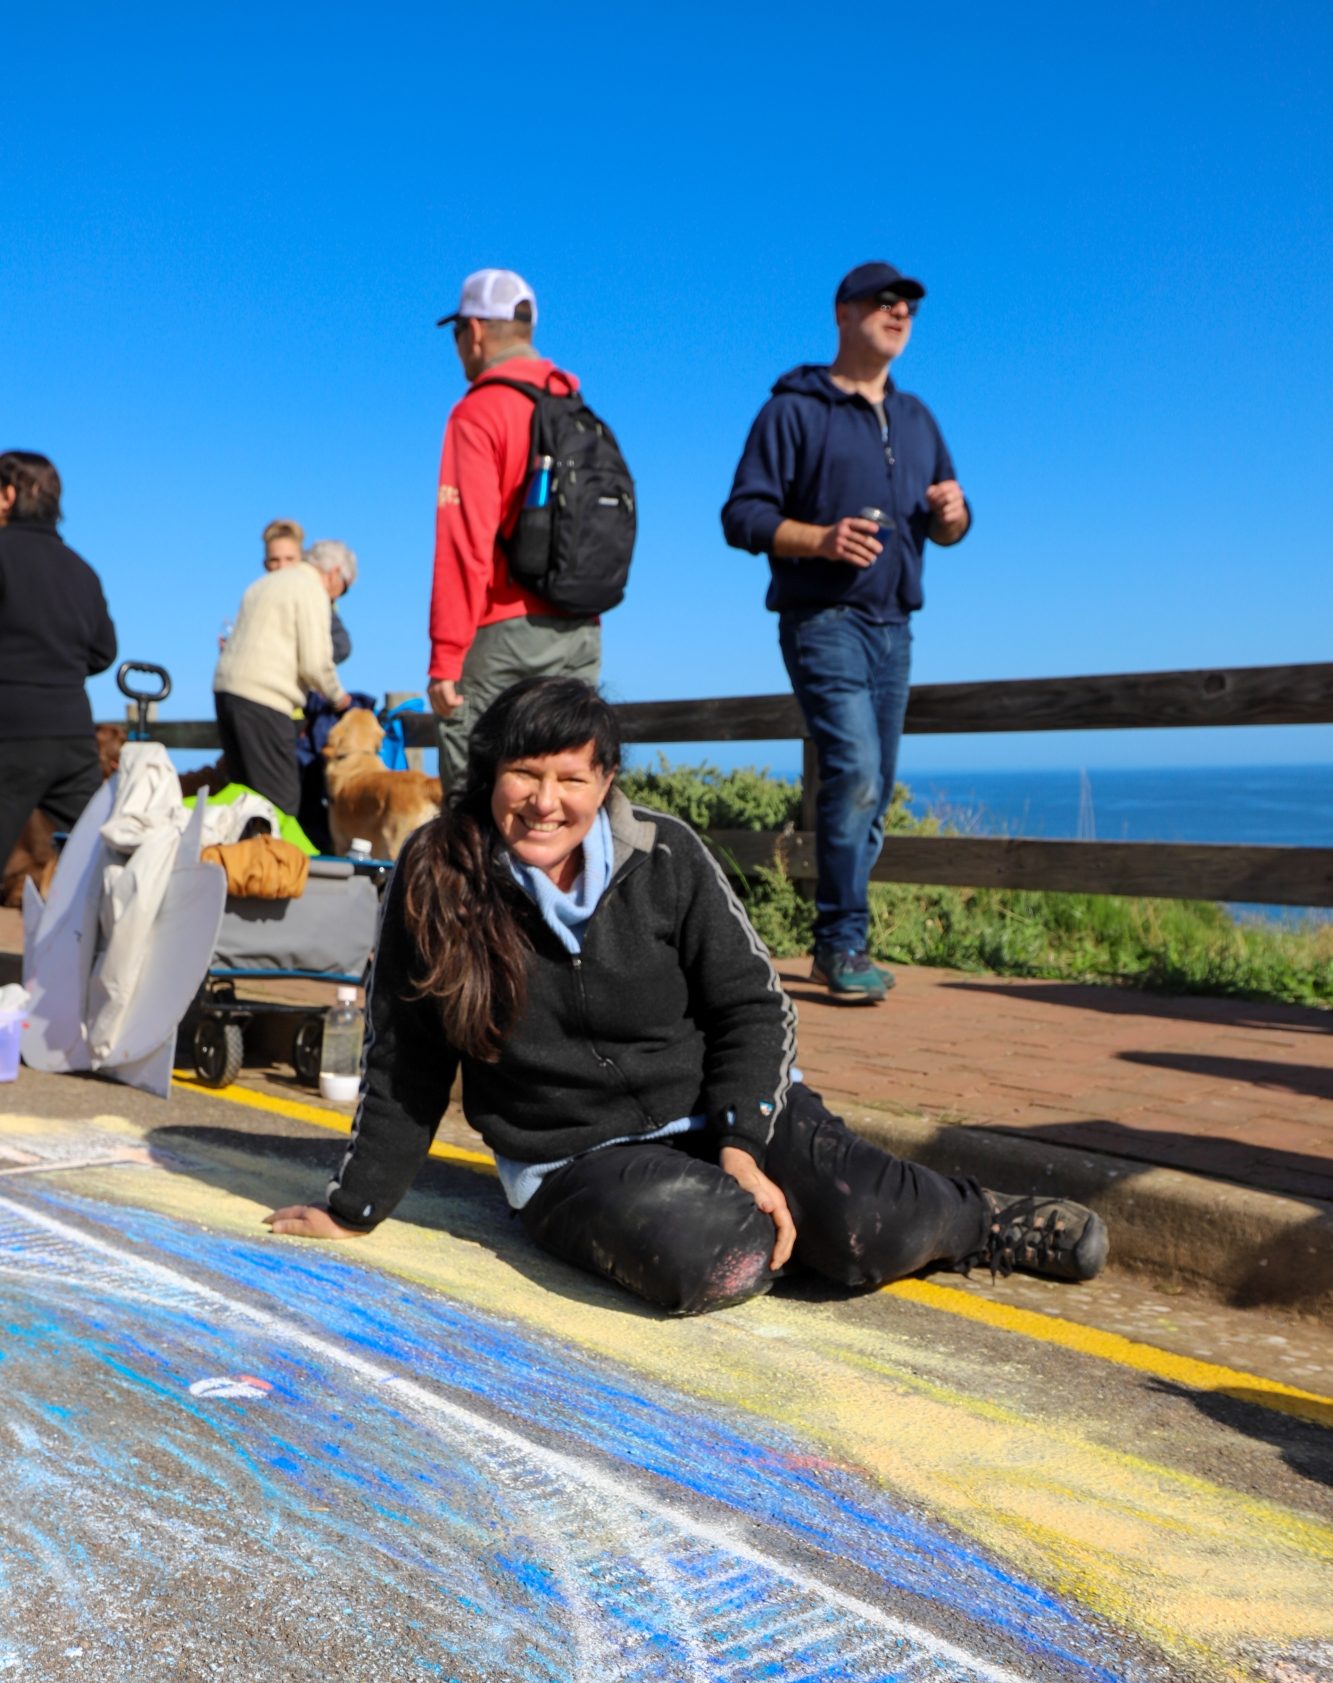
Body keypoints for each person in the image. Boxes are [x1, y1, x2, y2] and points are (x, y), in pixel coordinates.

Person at [265, 678, 1108, 1315]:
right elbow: (404, 1059)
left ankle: (979, 1220)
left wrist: (742, 1144)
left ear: (605, 783)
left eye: (572, 778)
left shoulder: (665, 855)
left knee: (867, 1228)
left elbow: (753, 1006)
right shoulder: (435, 878)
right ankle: (792, 1225)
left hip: (720, 1112)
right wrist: (356, 1208)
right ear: (488, 775)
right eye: (524, 775)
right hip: (576, 1161)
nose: (546, 802)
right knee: (715, 1262)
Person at [722, 260, 971, 1004]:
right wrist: (821, 540)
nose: (899, 312)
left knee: (875, 786)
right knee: (856, 772)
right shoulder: (792, 411)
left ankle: (843, 942)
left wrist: (955, 517)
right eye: (883, 301)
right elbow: (742, 517)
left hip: (895, 625)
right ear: (842, 313)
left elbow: (948, 525)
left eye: (909, 307)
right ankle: (839, 941)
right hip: (822, 619)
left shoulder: (918, 418)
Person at [427, 268, 601, 790]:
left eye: (458, 333)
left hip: (504, 632)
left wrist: (445, 656)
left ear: (475, 331)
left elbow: (464, 544)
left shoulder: (479, 412)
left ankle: (481, 877)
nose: (459, 347)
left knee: (476, 797)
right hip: (581, 631)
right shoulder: (573, 408)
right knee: (566, 792)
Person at [0, 450, 117, 873]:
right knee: (92, 866)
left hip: (10, 729)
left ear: (7, 496)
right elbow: (104, 651)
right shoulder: (82, 571)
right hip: (72, 736)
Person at [213, 541, 355, 817]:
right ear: (335, 573)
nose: (339, 596)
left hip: (226, 692)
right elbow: (315, 662)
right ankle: (277, 860)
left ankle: (242, 858)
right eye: (345, 587)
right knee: (280, 802)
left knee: (244, 799)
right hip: (265, 699)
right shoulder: (311, 589)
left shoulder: (262, 585)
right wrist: (338, 696)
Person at [261, 518, 351, 664]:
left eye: (289, 559)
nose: (282, 566)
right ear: (265, 565)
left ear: (302, 561)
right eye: (274, 560)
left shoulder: (311, 596)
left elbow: (341, 645)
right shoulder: (259, 600)